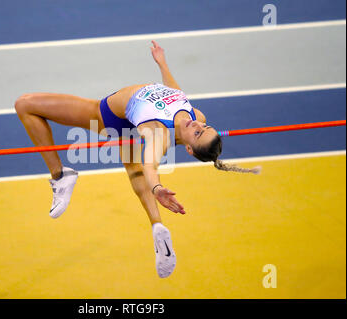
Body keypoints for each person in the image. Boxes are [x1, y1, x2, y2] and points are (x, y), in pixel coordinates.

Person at [15, 40, 260, 278]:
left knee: (25, 104)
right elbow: (174, 93)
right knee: (133, 172)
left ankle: (60, 175)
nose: (197, 123)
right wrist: (162, 64)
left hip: (108, 116)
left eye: (197, 133)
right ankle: (157, 227)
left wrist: (158, 187)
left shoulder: (158, 134)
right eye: (205, 127)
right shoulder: (195, 115)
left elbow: (150, 164)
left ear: (188, 148)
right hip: (130, 120)